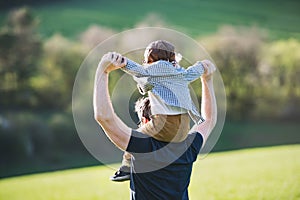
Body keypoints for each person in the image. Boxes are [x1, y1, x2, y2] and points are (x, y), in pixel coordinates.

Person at [93, 51, 217, 199]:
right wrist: (207, 79)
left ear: (146, 121)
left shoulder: (143, 148)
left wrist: (103, 70)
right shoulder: (187, 147)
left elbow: (104, 117)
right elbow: (208, 119)